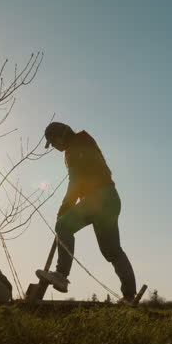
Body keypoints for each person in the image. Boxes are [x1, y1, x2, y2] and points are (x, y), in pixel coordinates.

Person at [35, 121, 138, 303]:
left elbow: (75, 182)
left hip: (99, 198)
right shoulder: (84, 141)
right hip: (111, 198)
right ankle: (130, 295)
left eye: (54, 143)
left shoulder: (75, 147)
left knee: (63, 226)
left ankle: (61, 274)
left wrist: (64, 210)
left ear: (61, 136)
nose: (55, 148)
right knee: (112, 251)